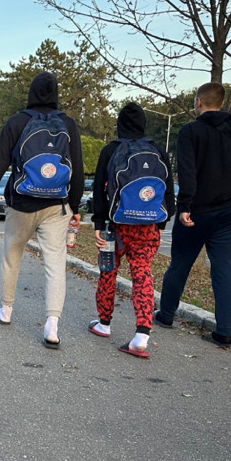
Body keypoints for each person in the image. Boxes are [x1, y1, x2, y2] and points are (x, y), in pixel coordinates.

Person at [0, 71, 84, 349]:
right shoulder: (68, 124)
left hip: (21, 204)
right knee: (55, 264)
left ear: (31, 93)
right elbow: (75, 166)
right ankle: (52, 326)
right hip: (56, 207)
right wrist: (74, 206)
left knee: (12, 256)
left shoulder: (17, 122)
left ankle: (6, 311)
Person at [155, 82, 231, 347]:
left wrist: (186, 206)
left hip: (198, 212)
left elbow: (188, 172)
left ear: (199, 102)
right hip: (230, 211)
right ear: (222, 103)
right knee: (224, 268)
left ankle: (166, 315)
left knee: (180, 264)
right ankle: (224, 332)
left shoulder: (190, 131)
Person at [87, 103, 175, 358]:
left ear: (120, 123)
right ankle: (142, 333)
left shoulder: (112, 150)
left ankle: (104, 323)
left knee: (108, 270)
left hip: (117, 223)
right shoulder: (158, 150)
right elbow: (167, 189)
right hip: (147, 225)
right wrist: (160, 222)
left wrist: (99, 223)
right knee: (142, 274)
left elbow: (99, 190)